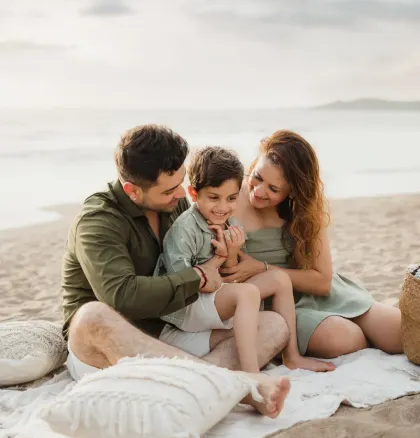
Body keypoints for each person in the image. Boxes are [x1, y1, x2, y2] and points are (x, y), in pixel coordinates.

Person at [61, 125, 291, 418]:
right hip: (109, 344)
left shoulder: (174, 202)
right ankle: (239, 385)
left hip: (169, 331)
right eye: (169, 190)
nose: (182, 194)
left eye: (181, 182)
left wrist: (227, 255)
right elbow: (122, 297)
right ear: (132, 190)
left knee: (273, 325)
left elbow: (212, 261)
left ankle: (198, 384)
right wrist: (197, 276)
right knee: (92, 316)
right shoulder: (97, 222)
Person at [221, 130, 403, 359]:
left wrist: (262, 267)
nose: (259, 191)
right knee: (345, 338)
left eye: (273, 189)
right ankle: (366, 340)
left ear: (293, 192)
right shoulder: (228, 198)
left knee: (401, 332)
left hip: (317, 291)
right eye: (257, 177)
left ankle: (372, 335)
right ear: (255, 162)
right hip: (277, 304)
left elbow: (322, 282)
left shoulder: (304, 210)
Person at [158, 146, 334, 373]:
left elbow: (230, 273)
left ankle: (292, 357)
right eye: (214, 198)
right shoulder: (185, 229)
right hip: (188, 304)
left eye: (231, 198)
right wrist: (217, 261)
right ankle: (251, 374)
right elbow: (181, 283)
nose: (223, 207)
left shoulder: (228, 222)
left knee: (279, 279)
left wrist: (231, 253)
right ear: (194, 194)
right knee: (247, 293)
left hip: (215, 296)